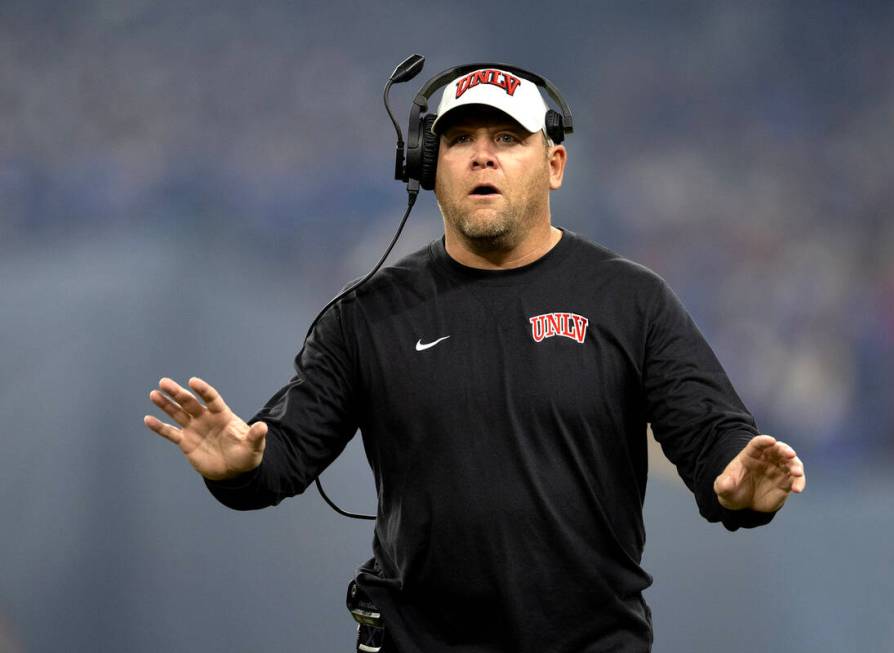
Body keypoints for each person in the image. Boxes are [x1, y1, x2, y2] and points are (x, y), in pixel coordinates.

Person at [143, 65, 806, 653]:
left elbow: (712, 437)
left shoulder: (629, 299)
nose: (481, 157)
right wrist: (241, 465)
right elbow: (284, 452)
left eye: (507, 139)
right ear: (429, 166)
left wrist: (740, 487)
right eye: (460, 140)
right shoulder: (369, 314)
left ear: (554, 165)